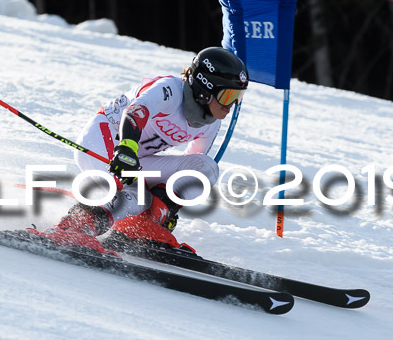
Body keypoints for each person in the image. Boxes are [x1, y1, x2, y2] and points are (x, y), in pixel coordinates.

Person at [30, 47, 248, 254]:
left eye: (237, 98)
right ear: (204, 89)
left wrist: (167, 205)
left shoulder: (211, 124)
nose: (231, 106)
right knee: (137, 194)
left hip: (135, 158)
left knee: (205, 167)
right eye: (227, 96)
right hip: (103, 141)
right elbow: (135, 112)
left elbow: (188, 168)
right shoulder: (170, 90)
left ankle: (145, 225)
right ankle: (74, 227)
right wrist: (126, 148)